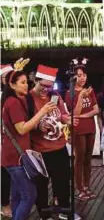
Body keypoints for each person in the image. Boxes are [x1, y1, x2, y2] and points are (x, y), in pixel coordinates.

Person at [1, 66, 56, 220]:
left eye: (27, 82)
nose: (26, 85)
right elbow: (22, 129)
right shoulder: (13, 103)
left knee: (18, 196)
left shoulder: (12, 101)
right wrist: (42, 112)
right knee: (29, 195)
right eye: (23, 82)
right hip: (16, 158)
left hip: (13, 155)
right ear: (12, 85)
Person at [29, 65, 81, 220]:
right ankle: (44, 215)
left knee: (63, 182)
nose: (46, 89)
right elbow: (23, 123)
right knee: (41, 186)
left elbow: (63, 115)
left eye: (49, 86)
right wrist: (38, 126)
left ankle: (64, 211)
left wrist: (67, 119)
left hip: (59, 146)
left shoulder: (55, 95)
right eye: (43, 85)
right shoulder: (28, 99)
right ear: (35, 80)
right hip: (39, 150)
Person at [65, 65, 98, 200]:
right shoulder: (69, 93)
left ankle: (86, 186)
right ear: (73, 77)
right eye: (79, 75)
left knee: (88, 159)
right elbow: (74, 114)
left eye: (84, 75)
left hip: (90, 127)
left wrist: (84, 116)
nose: (82, 77)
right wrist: (80, 97)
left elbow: (96, 110)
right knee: (79, 159)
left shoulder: (90, 91)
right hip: (78, 130)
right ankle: (79, 189)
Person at [1, 64, 14, 218]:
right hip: (3, 138)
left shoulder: (18, 95)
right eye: (6, 77)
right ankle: (5, 204)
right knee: (4, 171)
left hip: (16, 139)